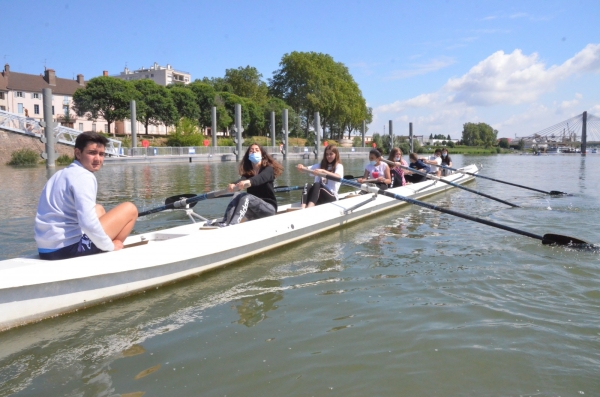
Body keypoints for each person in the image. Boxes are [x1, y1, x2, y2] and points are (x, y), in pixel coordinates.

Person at [35, 132, 138, 260]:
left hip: (46, 250)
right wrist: (109, 245)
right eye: (92, 153)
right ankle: (110, 252)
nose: (98, 159)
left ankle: (103, 246)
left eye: (101, 154)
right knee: (130, 209)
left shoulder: (60, 174)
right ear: (78, 153)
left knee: (98, 209)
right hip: (66, 250)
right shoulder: (84, 176)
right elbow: (87, 223)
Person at [218, 143, 283, 226]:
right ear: (248, 156)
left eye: (257, 150)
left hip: (269, 209)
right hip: (253, 212)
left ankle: (233, 225)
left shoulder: (268, 169)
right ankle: (225, 222)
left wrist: (247, 182)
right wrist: (233, 185)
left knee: (246, 196)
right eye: (251, 151)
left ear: (262, 155)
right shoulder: (248, 173)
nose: (254, 152)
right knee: (237, 195)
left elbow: (259, 179)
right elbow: (242, 180)